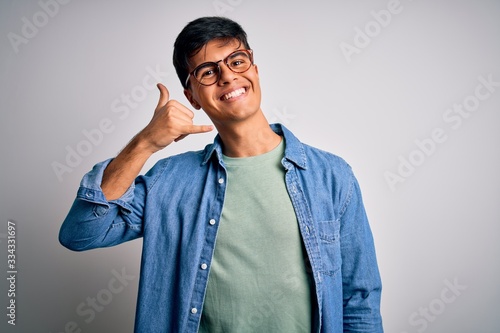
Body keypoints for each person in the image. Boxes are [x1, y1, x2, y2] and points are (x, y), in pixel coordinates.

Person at [59, 16, 383, 333]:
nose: (227, 76)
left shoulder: (331, 176)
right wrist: (145, 143)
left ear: (254, 69)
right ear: (192, 98)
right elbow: (81, 232)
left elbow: (360, 299)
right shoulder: (168, 181)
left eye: (237, 61)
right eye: (208, 72)